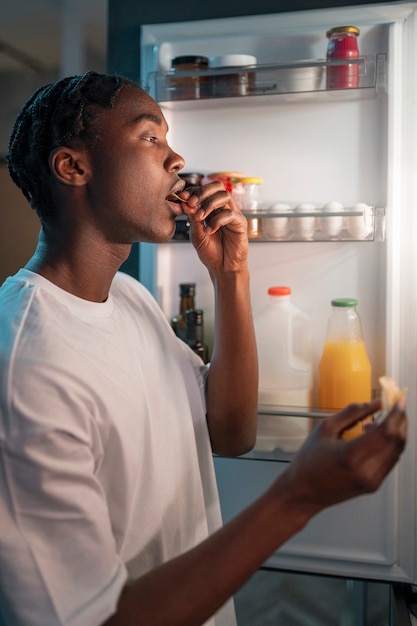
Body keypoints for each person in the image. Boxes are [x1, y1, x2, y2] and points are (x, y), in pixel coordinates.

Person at [0, 71, 406, 626]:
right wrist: (297, 495)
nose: (175, 159)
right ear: (74, 167)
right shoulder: (27, 362)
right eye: (149, 138)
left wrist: (231, 277)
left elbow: (230, 431)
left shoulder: (129, 299)